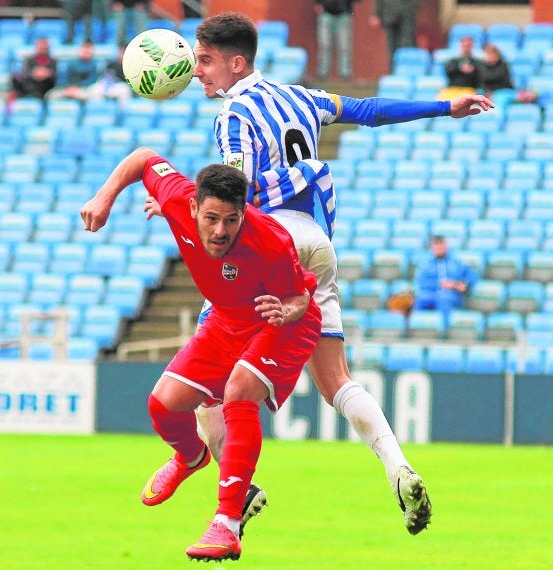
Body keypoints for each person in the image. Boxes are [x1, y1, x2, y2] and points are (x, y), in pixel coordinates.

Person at [144, 11, 494, 538]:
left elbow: (236, 195)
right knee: (336, 380)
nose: (197, 71)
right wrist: (446, 106)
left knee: (208, 373)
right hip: (318, 244)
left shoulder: (234, 115)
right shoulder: (303, 97)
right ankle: (397, 466)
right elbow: (369, 110)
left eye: (206, 61)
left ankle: (230, 498)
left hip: (269, 250)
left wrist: (190, 208)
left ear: (237, 63)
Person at [80, 148, 322, 562]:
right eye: (210, 218)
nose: (220, 231)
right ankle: (191, 457)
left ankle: (227, 523)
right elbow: (142, 159)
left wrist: (286, 310)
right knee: (164, 405)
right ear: (192, 206)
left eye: (231, 219)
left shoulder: (271, 239)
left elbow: (300, 297)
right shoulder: (177, 197)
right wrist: (105, 197)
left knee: (238, 392)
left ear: (244, 214)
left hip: (278, 321)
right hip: (227, 320)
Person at [413, 235, 478, 324]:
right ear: (432, 247)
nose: (439, 248)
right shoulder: (425, 264)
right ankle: (418, 327)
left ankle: (443, 330)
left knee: (444, 299)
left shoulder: (457, 262)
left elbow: (472, 275)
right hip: (430, 293)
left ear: (446, 246)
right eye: (436, 245)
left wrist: (463, 283)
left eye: (441, 245)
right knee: (420, 300)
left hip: (450, 294)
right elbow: (422, 281)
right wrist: (440, 284)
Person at [314, 0, 361, 82]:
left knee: (344, 47)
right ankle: (322, 74)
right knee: (325, 46)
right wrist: (318, 3)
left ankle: (345, 75)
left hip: (344, 14)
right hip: (326, 13)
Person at [8, 37, 57, 103]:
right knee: (16, 77)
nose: (43, 48)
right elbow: (25, 73)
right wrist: (35, 74)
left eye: (44, 47)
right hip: (30, 84)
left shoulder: (53, 60)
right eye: (41, 46)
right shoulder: (29, 59)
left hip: (45, 86)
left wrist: (44, 74)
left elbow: (53, 75)